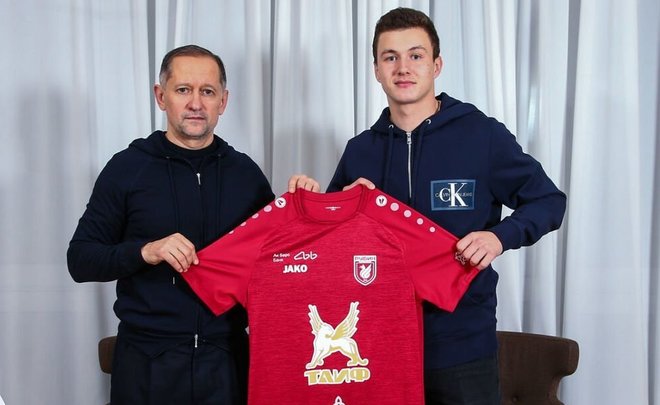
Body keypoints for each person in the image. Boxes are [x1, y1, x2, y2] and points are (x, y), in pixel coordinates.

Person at [327, 8, 566, 405]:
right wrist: (340, 207)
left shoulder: (482, 136)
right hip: (378, 348)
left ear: (436, 65)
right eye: (390, 57)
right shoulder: (360, 151)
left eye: (416, 55)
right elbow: (328, 248)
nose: (403, 67)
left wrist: (499, 237)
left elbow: (548, 200)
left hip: (463, 349)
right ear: (376, 70)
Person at [67, 44, 318, 405]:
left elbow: (281, 264)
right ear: (161, 96)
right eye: (183, 90)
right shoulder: (126, 168)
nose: (196, 103)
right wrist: (146, 251)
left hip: (227, 365)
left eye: (208, 91)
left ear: (223, 101)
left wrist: (304, 210)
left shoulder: (245, 174)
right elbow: (80, 259)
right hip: (146, 366)